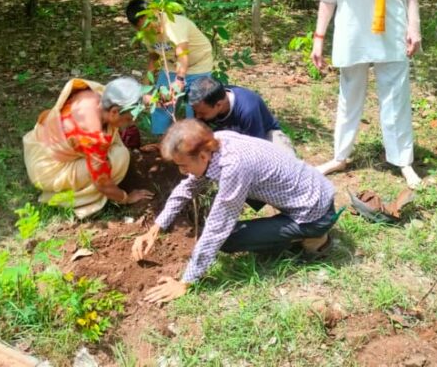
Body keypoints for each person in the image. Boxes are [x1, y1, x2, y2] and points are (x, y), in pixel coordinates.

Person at [131, 119, 337, 304]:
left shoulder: (234, 167)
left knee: (228, 239)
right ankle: (292, 230)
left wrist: (185, 282)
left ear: (202, 156)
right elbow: (188, 187)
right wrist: (155, 228)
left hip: (314, 213)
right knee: (226, 228)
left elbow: (217, 227)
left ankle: (315, 237)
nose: (181, 172)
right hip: (307, 194)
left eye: (183, 166)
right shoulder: (216, 142)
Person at [311, 0, 422, 189]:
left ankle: (403, 161)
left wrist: (414, 26)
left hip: (391, 28)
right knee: (349, 96)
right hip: (350, 33)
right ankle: (340, 155)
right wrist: (318, 38)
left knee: (395, 96)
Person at [23, 77, 154, 219]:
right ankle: (63, 198)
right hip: (47, 169)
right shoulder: (94, 136)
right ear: (115, 112)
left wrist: (155, 99)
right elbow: (102, 183)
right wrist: (126, 198)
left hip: (42, 141)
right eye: (129, 118)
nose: (132, 122)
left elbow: (123, 93)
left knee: (115, 145)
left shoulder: (98, 95)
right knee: (119, 158)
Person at [126, 0, 214, 135]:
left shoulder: (174, 24)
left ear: (155, 12)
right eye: (143, 27)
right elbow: (154, 56)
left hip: (199, 66)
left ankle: (196, 141)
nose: (151, 28)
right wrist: (145, 86)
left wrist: (179, 81)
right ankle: (161, 142)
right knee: (160, 104)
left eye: (150, 22)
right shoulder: (146, 34)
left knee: (196, 107)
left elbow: (182, 53)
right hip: (172, 67)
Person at [188, 75, 295, 154]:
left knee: (285, 164)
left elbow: (257, 149)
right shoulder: (205, 102)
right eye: (196, 112)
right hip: (229, 138)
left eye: (202, 113)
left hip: (264, 137)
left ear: (218, 105)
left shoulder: (248, 110)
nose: (197, 116)